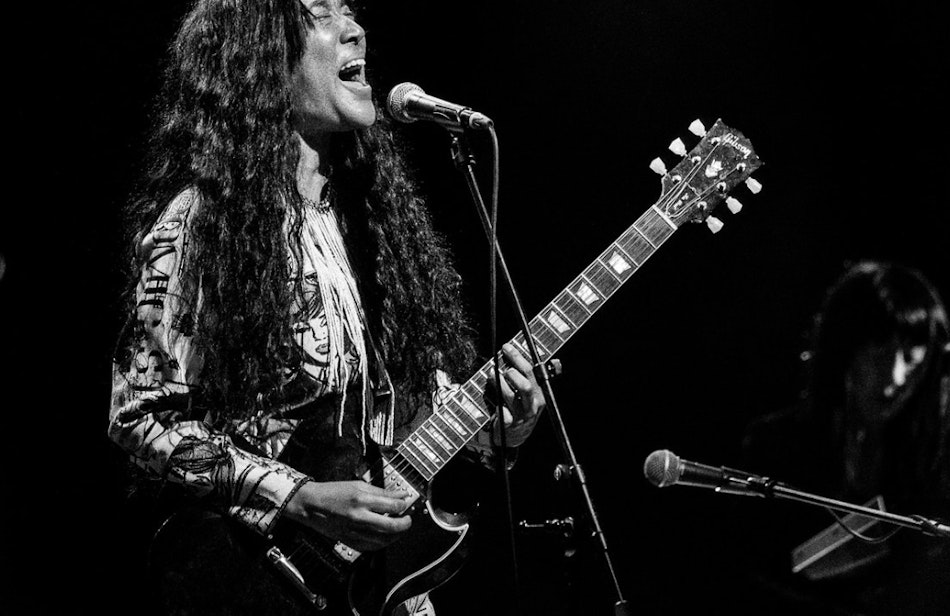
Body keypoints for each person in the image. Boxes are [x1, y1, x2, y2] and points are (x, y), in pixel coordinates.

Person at [107, 1, 544, 614]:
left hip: (383, 593)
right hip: (250, 579)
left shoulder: (380, 231)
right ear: (261, 59)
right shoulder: (203, 224)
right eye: (321, 13)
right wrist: (300, 497)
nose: (356, 29)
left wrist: (498, 434)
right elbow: (139, 417)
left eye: (351, 11)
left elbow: (406, 429)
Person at [740, 260, 950, 615]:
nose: (896, 377)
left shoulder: (936, 456)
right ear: (844, 350)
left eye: (911, 358)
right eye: (879, 353)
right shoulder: (774, 444)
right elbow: (749, 575)